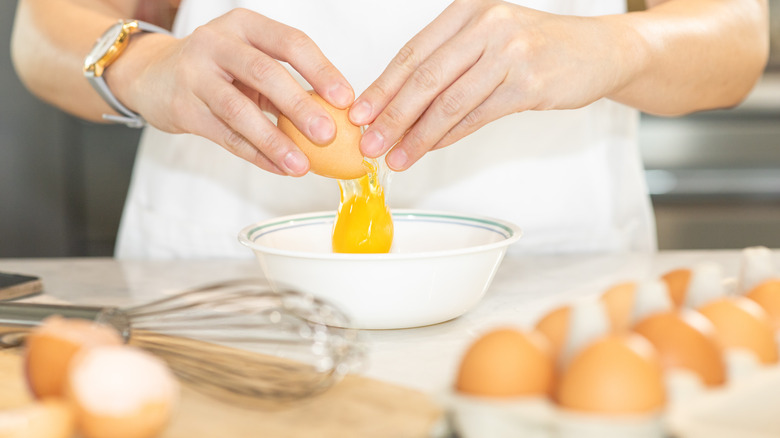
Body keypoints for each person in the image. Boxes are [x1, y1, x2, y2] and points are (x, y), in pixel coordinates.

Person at [11, 0, 769, 258]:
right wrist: (144, 65)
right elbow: (42, 29)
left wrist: (618, 45)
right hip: (224, 294)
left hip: (552, 281)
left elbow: (738, 35)